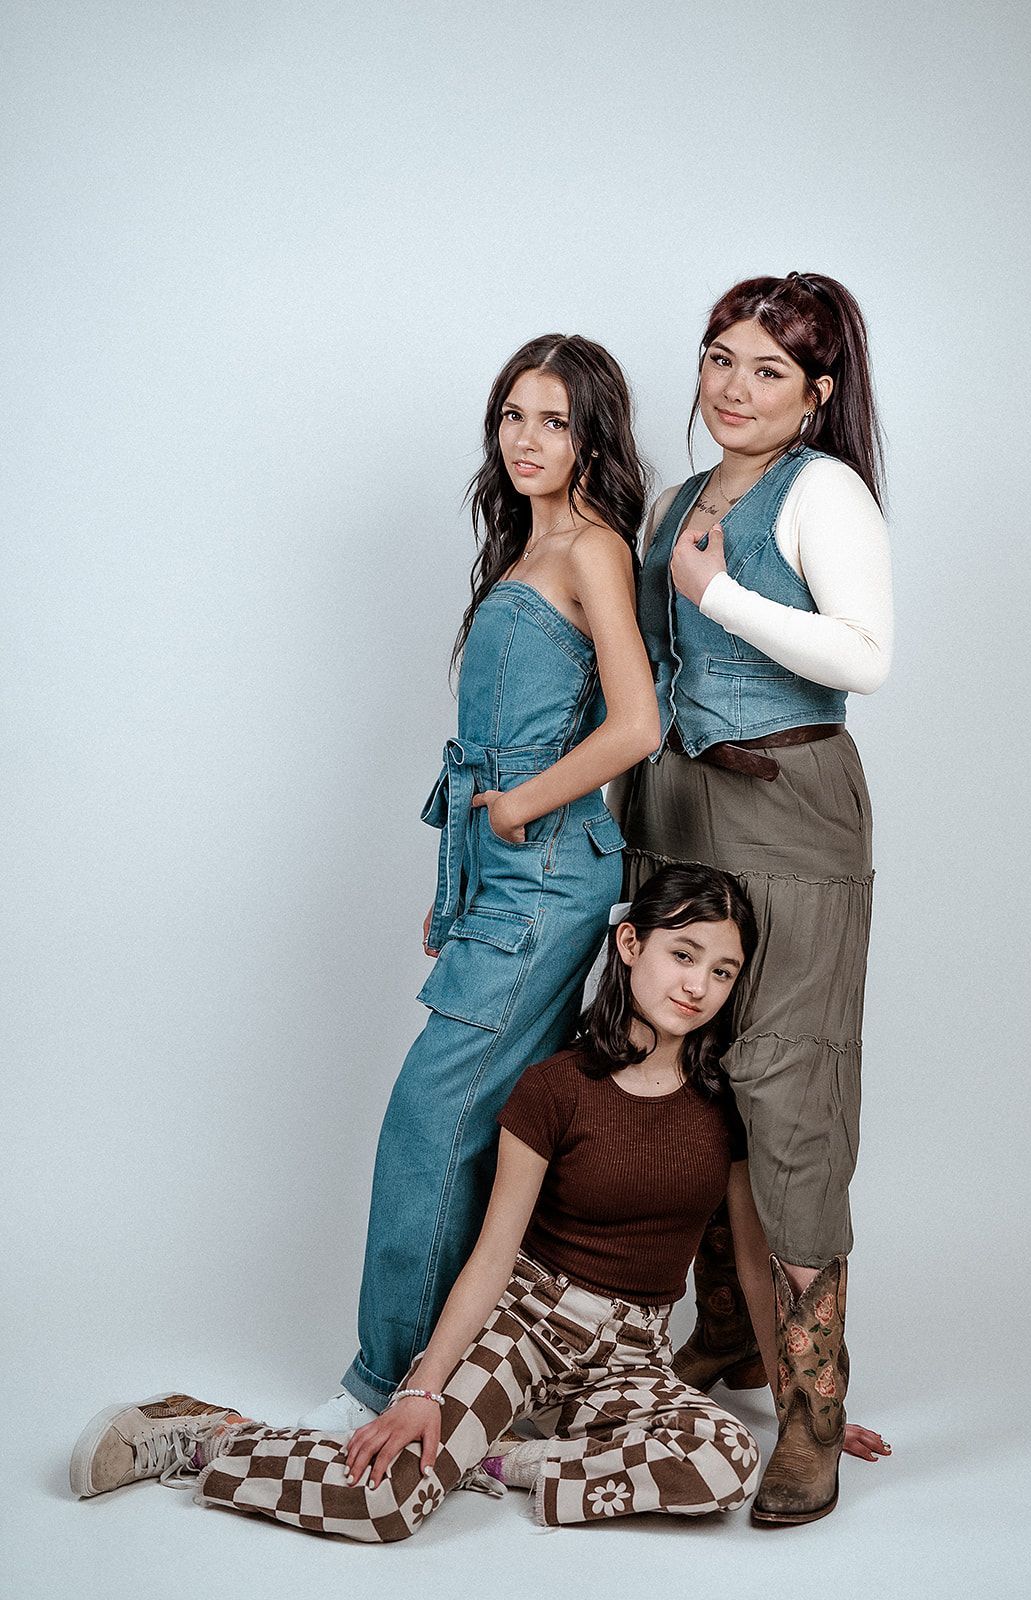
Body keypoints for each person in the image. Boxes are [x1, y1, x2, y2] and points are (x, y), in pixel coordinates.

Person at [69, 865, 889, 1539]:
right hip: (526, 1326)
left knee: (724, 1463)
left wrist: (803, 1409)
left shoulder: (725, 1113)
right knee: (380, 1505)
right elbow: (493, 1255)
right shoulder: (554, 1087)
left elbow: (752, 1271)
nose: (698, 986)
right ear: (631, 943)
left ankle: (503, 1462)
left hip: (629, 1355)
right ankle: (199, 1434)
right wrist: (423, 1388)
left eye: (723, 971)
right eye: (684, 954)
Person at [300, 335, 662, 1433]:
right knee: (501, 1119)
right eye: (512, 416)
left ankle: (384, 1385)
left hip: (546, 869)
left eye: (553, 419)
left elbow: (639, 724)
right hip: (506, 872)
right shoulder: (528, 547)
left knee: (431, 1116)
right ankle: (471, 1372)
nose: (525, 439)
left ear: (593, 432)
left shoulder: (593, 548)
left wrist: (515, 810)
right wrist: (458, 873)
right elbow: (495, 740)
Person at [613, 272, 893, 1526]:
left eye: (769, 370)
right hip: (677, 808)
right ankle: (727, 1335)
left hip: (787, 798)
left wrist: (719, 594)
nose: (733, 386)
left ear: (817, 395)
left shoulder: (821, 489)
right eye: (721, 357)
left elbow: (868, 656)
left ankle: (813, 1412)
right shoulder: (680, 494)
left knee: (788, 1082)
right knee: (698, 1068)